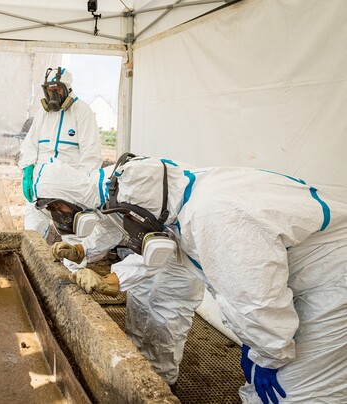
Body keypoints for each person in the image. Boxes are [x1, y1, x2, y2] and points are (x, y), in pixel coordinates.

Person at [67, 154, 347, 403]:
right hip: (299, 281)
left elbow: (257, 303)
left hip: (333, 281)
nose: (128, 225)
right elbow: (168, 248)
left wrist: (269, 355)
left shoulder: (215, 217)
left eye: (129, 217)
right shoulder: (178, 199)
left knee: (296, 392)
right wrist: (114, 278)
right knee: (265, 379)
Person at [33, 157, 204, 387]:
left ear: (67, 194)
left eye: (57, 206)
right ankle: (135, 363)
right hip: (152, 245)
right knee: (140, 298)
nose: (59, 213)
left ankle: (160, 384)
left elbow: (159, 249)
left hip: (181, 248)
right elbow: (111, 228)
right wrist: (81, 249)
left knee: (166, 315)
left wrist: (111, 280)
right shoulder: (98, 191)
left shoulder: (128, 186)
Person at [18, 66, 102, 238]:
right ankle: (33, 255)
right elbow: (30, 144)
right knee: (33, 223)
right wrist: (27, 170)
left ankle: (72, 260)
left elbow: (91, 152)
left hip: (68, 179)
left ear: (67, 89)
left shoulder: (82, 111)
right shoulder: (43, 113)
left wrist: (82, 184)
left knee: (70, 228)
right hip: (40, 178)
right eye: (49, 90)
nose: (52, 94)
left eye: (57, 89)